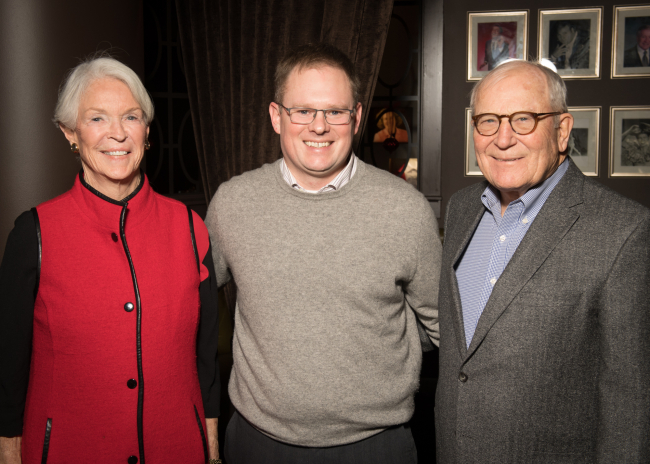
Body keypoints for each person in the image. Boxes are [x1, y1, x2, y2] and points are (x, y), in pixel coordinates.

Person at [205, 43, 441, 464]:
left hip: (376, 447)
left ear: (357, 117)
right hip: (258, 444)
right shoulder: (232, 204)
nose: (320, 126)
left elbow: (442, 325)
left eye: (335, 111)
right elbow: (191, 311)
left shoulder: (405, 210)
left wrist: (375, 350)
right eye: (304, 111)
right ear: (277, 116)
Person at [0, 56, 221, 464]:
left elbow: (207, 354)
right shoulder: (34, 233)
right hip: (70, 450)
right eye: (97, 119)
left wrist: (210, 444)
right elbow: (9, 362)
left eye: (131, 117)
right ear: (70, 133)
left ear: (147, 131)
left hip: (175, 448)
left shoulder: (190, 228)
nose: (117, 134)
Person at [435, 60, 650, 462]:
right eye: (488, 121)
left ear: (562, 130)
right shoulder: (462, 209)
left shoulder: (623, 230)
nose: (503, 139)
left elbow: (629, 404)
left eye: (523, 119)